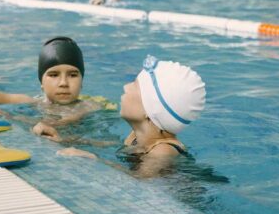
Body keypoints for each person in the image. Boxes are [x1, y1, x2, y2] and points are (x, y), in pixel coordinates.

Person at [42, 55, 206, 178]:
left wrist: (93, 159)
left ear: (150, 111)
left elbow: (138, 182)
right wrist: (64, 140)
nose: (126, 87)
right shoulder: (136, 137)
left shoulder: (163, 150)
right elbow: (111, 146)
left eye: (134, 86)